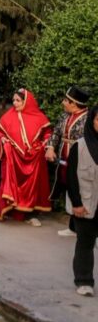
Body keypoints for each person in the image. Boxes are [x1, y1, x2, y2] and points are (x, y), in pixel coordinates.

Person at [0, 88, 53, 224]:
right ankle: (11, 210)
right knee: (12, 184)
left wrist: (42, 145)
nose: (14, 103)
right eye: (13, 100)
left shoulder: (39, 117)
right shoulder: (8, 116)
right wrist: (3, 139)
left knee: (33, 187)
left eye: (18, 100)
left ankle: (30, 214)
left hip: (34, 159)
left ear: (27, 101)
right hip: (14, 158)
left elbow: (48, 134)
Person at [48, 86, 91, 236]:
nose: (63, 102)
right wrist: (50, 148)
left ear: (74, 103)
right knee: (68, 188)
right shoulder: (64, 116)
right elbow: (56, 133)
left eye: (66, 100)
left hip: (81, 161)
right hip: (64, 159)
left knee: (81, 191)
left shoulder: (89, 119)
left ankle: (84, 229)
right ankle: (73, 228)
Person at [67, 104, 98, 296]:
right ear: (92, 121)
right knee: (85, 243)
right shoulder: (80, 146)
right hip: (86, 205)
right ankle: (84, 280)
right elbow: (71, 178)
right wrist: (76, 204)